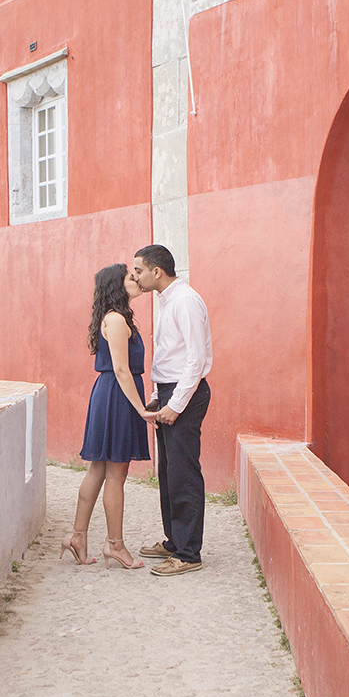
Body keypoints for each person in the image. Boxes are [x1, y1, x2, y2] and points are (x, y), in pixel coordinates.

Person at [62, 263, 156, 569]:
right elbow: (120, 368)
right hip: (117, 395)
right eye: (131, 277)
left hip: (110, 394)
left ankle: (77, 537)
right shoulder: (116, 319)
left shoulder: (114, 317)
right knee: (116, 473)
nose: (137, 280)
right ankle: (114, 545)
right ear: (118, 285)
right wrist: (141, 409)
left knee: (99, 469)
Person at [131, 244, 212, 577]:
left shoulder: (186, 301)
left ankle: (189, 554)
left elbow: (195, 359)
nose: (134, 276)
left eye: (138, 270)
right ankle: (174, 541)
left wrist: (175, 405)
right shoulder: (168, 300)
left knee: (184, 474)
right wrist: (156, 395)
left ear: (156, 272)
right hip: (170, 391)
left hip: (186, 394)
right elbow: (169, 356)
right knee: (168, 474)